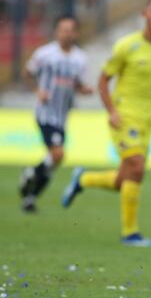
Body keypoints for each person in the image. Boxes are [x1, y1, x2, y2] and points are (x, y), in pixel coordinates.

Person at [61, 0, 151, 247]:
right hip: (124, 116)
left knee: (125, 178)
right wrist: (112, 111)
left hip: (148, 119)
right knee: (136, 168)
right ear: (145, 14)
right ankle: (130, 233)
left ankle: (82, 180)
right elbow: (103, 80)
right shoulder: (127, 45)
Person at [19, 16, 93, 212]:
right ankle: (29, 173)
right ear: (56, 32)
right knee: (58, 154)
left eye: (70, 30)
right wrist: (37, 91)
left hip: (62, 116)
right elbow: (27, 73)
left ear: (76, 33)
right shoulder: (45, 54)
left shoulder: (80, 58)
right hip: (45, 113)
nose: (67, 33)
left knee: (55, 161)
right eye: (63, 29)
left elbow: (76, 83)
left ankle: (30, 197)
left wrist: (83, 89)